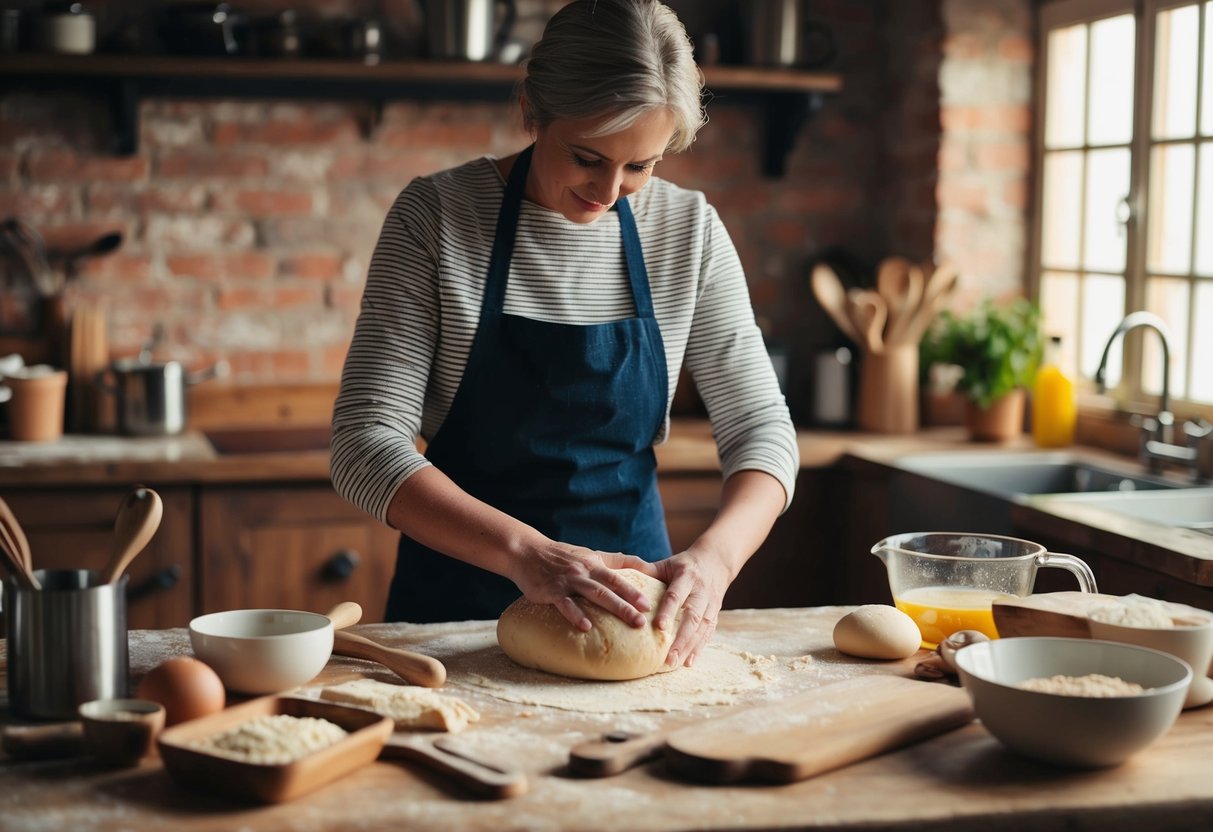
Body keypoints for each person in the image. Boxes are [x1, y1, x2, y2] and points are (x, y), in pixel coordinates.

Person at [331, 0, 799, 669]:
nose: (608, 191)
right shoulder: (437, 218)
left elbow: (762, 429)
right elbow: (363, 445)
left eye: (641, 166)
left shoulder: (687, 232)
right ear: (531, 109)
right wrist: (530, 555)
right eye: (587, 157)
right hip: (452, 624)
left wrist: (715, 562)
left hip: (633, 619)